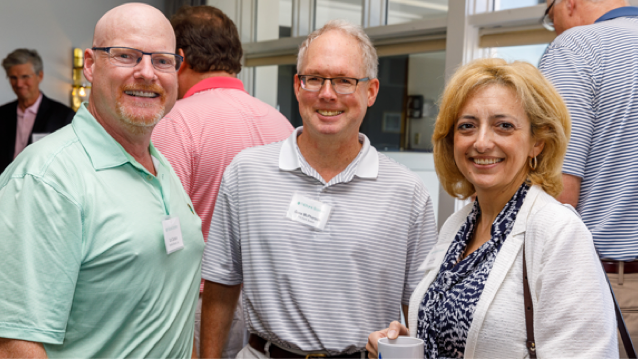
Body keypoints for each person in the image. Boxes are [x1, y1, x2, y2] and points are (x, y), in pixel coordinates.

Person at [200, 20, 437, 359]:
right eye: (314, 78)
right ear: (298, 86)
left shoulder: (408, 193)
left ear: (370, 92)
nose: (327, 94)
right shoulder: (246, 173)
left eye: (344, 81)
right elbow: (222, 284)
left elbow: (418, 310)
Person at [367, 58, 618, 359]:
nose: (482, 142)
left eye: (504, 126)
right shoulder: (457, 226)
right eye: (467, 126)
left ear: (537, 141)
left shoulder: (559, 233)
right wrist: (416, 345)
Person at [0, 4, 203, 358]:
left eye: (162, 60)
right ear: (91, 66)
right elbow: (17, 343)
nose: (146, 73)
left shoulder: (161, 167)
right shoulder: (46, 180)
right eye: (126, 56)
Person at [151, 7, 293, 358]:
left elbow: (163, 231)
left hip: (200, 303)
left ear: (179, 59)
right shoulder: (284, 126)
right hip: (272, 305)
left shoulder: (174, 124)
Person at [538, 1, 638, 356]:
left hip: (613, 287)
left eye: (550, 20)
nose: (555, 30)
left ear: (568, 4)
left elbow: (555, 191)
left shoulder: (578, 46)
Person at [0, 48, 75, 173]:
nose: (19, 84)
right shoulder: (2, 114)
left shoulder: (64, 116)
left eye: (25, 77)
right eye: (13, 77)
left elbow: (70, 162)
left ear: (40, 76)